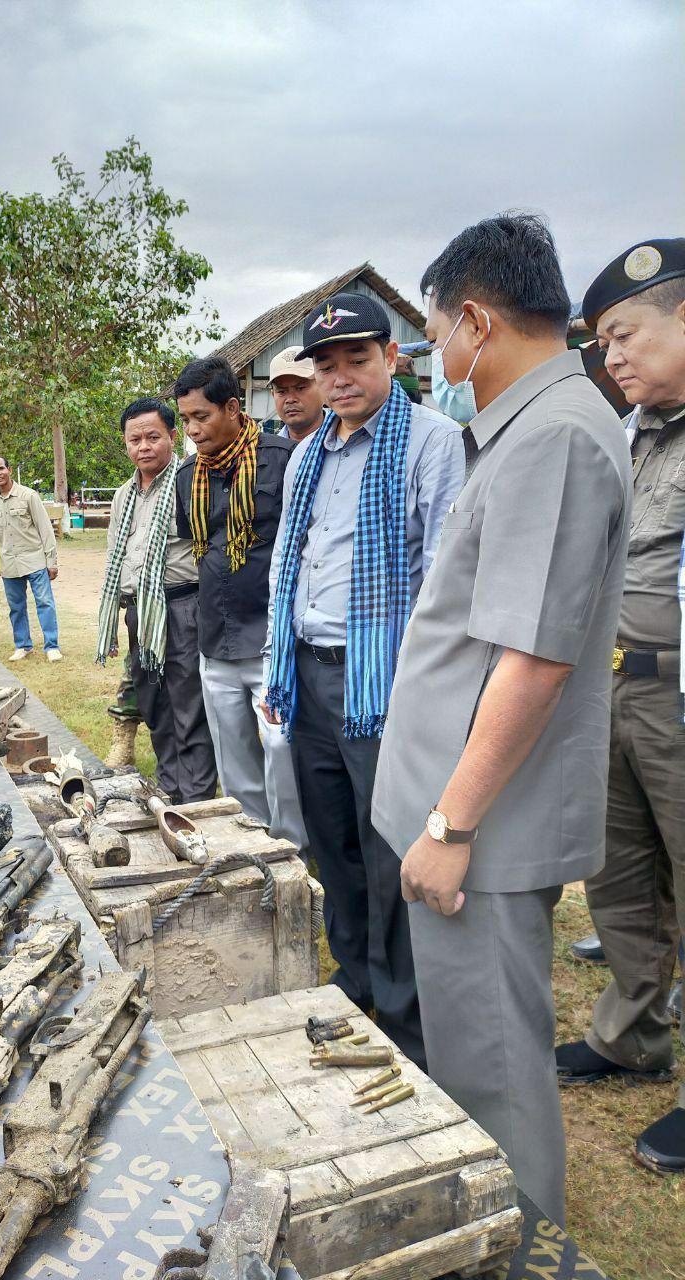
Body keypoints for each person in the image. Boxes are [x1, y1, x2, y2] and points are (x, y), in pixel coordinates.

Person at [371, 214, 632, 1224]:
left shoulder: (556, 435)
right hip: (462, 817)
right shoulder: (535, 423)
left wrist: (451, 825)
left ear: (476, 320)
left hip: (478, 833)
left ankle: (524, 1241)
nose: (437, 356)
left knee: (495, 1066)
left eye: (436, 332)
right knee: (472, 1048)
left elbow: (534, 663)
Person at [262, 293, 464, 1067]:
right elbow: (291, 556)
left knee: (390, 852)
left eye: (357, 360)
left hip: (382, 681)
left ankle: (407, 1015)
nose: (340, 379)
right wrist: (283, 658)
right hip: (311, 675)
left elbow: (444, 575)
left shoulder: (431, 441)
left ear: (391, 358)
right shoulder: (312, 450)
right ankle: (353, 977)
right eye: (328, 366)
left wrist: (421, 688)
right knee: (332, 843)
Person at [555, 238, 685, 1176]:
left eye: (626, 334)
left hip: (680, 694)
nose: (611, 359)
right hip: (614, 685)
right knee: (621, 877)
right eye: (601, 343)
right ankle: (630, 1037)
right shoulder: (634, 433)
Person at [173, 356, 306, 855]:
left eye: (200, 417)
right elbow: (196, 544)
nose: (192, 430)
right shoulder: (189, 477)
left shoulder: (284, 459)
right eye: (185, 419)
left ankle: (292, 848)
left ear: (232, 408)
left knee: (280, 748)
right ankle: (253, 844)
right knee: (233, 756)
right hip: (216, 637)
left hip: (272, 637)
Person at [97, 398, 216, 803]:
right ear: (125, 444)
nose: (143, 446)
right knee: (155, 706)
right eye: (135, 439)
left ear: (171, 435)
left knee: (189, 707)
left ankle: (197, 801)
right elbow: (118, 554)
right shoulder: (122, 496)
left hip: (182, 608)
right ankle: (170, 789)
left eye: (152, 437)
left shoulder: (190, 481)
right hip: (139, 614)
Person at [0, 455, 62, 663]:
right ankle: (22, 645)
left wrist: (51, 562)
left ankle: (52, 646)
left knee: (45, 603)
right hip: (8, 564)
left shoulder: (28, 496)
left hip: (34, 559)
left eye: (1, 468)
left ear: (9, 470)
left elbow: (45, 530)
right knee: (16, 607)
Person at [267, 346, 327, 442]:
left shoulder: (349, 441)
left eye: (300, 388)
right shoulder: (267, 452)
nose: (290, 399)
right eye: (282, 391)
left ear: (322, 388)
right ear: (273, 395)